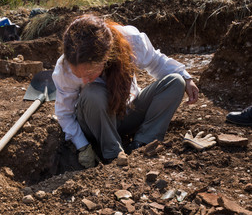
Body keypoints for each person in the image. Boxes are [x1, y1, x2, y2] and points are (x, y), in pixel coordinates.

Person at [52, 14, 199, 168]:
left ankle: (141, 144)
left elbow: (157, 62)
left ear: (106, 57)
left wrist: (186, 78)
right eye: (78, 75)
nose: (84, 80)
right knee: (92, 93)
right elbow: (64, 113)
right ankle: (113, 155)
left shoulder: (131, 40)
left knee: (175, 82)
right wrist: (82, 146)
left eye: (89, 74)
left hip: (129, 112)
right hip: (96, 122)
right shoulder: (64, 68)